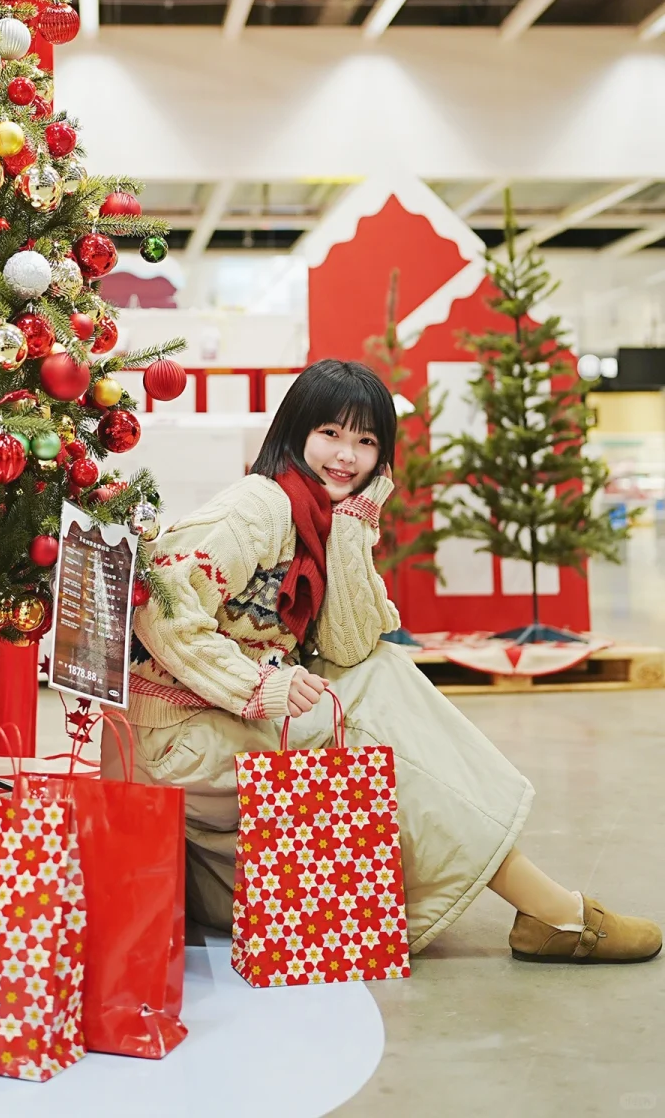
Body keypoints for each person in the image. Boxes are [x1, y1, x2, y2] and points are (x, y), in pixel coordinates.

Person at [111, 358, 660, 964]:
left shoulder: (318, 516)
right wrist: (256, 686)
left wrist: (350, 529)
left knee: (381, 674)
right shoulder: (259, 506)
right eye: (330, 434)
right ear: (295, 432)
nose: (346, 456)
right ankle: (552, 910)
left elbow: (351, 644)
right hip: (174, 736)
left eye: (366, 441)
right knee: (373, 726)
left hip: (213, 721)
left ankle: (544, 907)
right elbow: (156, 605)